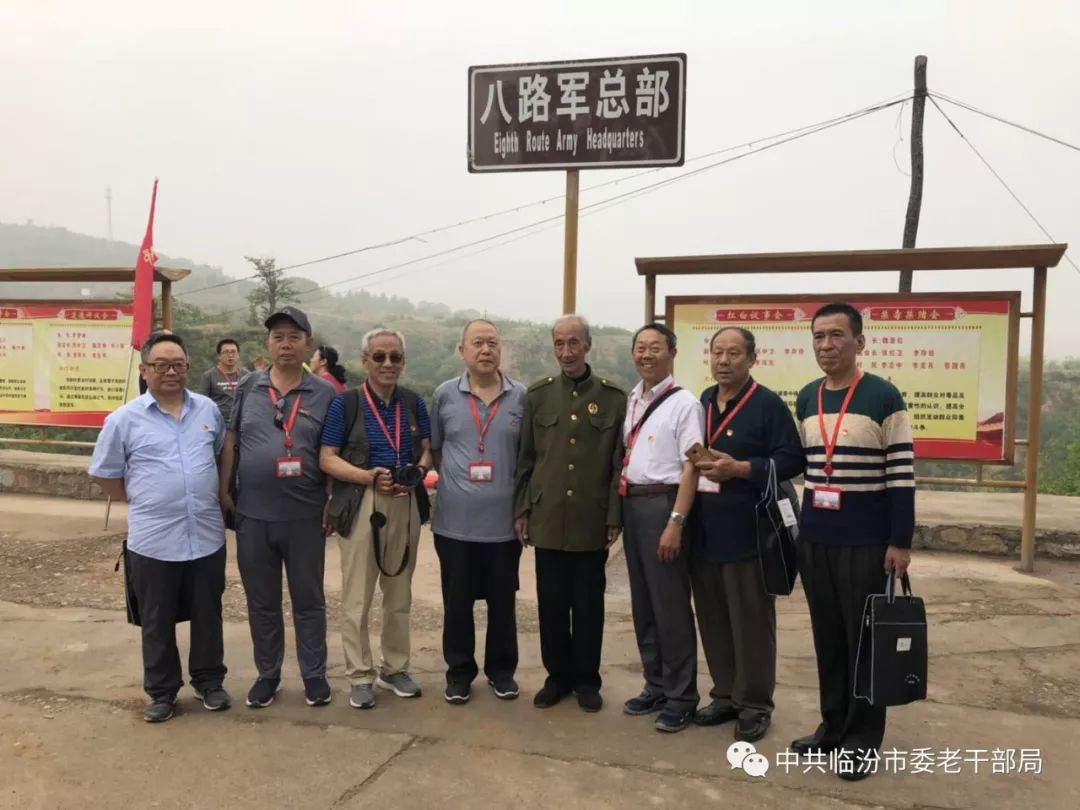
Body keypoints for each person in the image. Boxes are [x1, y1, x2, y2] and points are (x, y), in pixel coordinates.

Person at [789, 302, 915, 780]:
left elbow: (901, 475)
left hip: (866, 542)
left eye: (837, 335)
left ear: (859, 342)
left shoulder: (884, 397)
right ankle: (832, 727)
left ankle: (861, 742)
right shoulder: (806, 397)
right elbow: (798, 463)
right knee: (828, 639)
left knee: (864, 641)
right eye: (819, 336)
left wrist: (899, 541)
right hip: (816, 539)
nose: (826, 345)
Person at [89, 331, 230, 723]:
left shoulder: (207, 411)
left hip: (205, 535)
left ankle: (208, 681)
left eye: (179, 364)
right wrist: (141, 498)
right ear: (145, 369)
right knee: (156, 618)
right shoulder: (124, 419)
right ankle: (163, 692)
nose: (171, 372)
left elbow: (220, 453)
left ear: (187, 367)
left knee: (208, 612)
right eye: (162, 365)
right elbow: (104, 474)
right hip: (152, 540)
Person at [688, 327, 805, 743]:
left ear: (752, 359)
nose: (724, 361)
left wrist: (739, 469)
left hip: (750, 533)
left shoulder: (767, 405)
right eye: (717, 352)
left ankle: (755, 704)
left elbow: (791, 460)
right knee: (714, 617)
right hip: (704, 531)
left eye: (733, 353)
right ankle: (724, 695)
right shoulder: (702, 401)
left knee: (752, 621)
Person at [219, 306, 338, 710]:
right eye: (277, 337)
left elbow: (330, 451)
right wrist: (224, 491)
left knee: (309, 600)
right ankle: (267, 674)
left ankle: (314, 676)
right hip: (253, 514)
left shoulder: (324, 393)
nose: (285, 344)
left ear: (308, 342)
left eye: (293, 336)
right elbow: (232, 440)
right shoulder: (249, 386)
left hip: (305, 515)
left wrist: (330, 501)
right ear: (268, 343)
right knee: (262, 601)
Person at [515, 315, 626, 713]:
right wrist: (522, 508)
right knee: (551, 605)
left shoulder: (614, 397)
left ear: (588, 345)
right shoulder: (538, 396)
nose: (566, 351)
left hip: (590, 518)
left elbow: (618, 464)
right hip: (546, 517)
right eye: (559, 343)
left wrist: (614, 514)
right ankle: (556, 677)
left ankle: (586, 679)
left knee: (589, 605)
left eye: (573, 343)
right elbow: (526, 459)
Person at [319, 328, 433, 709]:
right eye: (379, 356)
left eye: (395, 357)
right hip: (363, 499)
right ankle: (359, 675)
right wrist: (369, 476)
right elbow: (327, 457)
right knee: (357, 597)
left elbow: (427, 450)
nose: (388, 364)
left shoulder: (413, 402)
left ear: (403, 361)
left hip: (405, 502)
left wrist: (416, 470)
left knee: (399, 593)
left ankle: (395, 668)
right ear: (364, 360)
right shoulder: (346, 404)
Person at [430, 319, 527, 704]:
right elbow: (437, 449)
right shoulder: (444, 395)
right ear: (462, 351)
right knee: (457, 604)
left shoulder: (521, 396)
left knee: (503, 603)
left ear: (500, 350)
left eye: (492, 343)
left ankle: (502, 673)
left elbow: (526, 457)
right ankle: (459, 673)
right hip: (454, 524)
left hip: (504, 526)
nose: (486, 350)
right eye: (478, 343)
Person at [620, 323, 703, 733]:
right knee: (644, 605)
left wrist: (676, 521)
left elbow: (693, 465)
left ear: (672, 352)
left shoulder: (685, 404)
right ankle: (655, 684)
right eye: (640, 347)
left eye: (655, 347)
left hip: (665, 505)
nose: (646, 354)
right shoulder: (633, 399)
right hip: (633, 505)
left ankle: (682, 696)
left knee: (670, 606)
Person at [198, 338, 244, 423]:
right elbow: (202, 403)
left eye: (233, 352)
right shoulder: (209, 376)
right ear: (219, 356)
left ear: (238, 355)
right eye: (226, 352)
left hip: (241, 422)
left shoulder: (246, 375)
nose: (230, 355)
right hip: (219, 422)